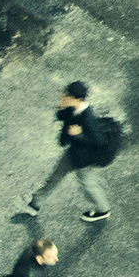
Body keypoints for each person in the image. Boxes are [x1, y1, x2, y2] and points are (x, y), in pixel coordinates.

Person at [21, 81, 118, 224]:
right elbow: (62, 116)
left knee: (88, 185)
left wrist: (78, 135)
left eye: (68, 96)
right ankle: (35, 203)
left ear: (77, 99)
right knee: (55, 177)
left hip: (84, 159)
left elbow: (99, 141)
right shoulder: (74, 108)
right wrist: (62, 107)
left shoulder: (88, 118)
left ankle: (103, 210)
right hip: (74, 153)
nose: (64, 96)